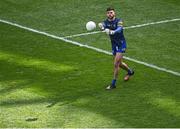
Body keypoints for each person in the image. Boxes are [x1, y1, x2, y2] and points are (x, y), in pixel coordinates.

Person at [98, 7, 134, 90]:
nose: (110, 14)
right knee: (120, 64)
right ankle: (130, 72)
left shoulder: (119, 21)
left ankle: (113, 84)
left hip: (121, 44)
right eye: (108, 13)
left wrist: (112, 32)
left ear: (114, 13)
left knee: (116, 64)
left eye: (111, 12)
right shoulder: (106, 22)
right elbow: (102, 26)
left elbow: (119, 29)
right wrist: (101, 27)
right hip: (114, 45)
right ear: (106, 14)